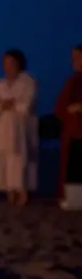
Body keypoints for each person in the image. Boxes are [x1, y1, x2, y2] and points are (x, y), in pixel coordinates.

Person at [0, 49, 38, 206]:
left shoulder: (28, 81)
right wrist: (4, 104)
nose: (8, 66)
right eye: (5, 63)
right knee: (4, 161)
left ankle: (23, 193)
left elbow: (27, 105)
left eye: (11, 63)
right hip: (3, 126)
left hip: (21, 127)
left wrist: (7, 103)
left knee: (20, 159)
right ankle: (9, 193)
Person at [53, 45, 82, 207]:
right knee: (71, 167)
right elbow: (59, 108)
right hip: (73, 132)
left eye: (78, 57)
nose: (74, 61)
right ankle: (71, 198)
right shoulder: (72, 81)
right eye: (73, 57)